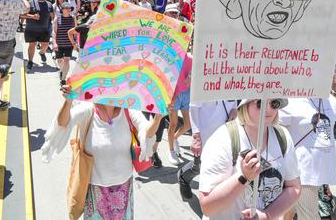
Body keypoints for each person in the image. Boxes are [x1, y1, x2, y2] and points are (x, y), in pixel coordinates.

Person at [41, 86, 165, 220]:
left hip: (123, 186)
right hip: (96, 189)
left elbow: (146, 132)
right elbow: (63, 122)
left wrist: (157, 119)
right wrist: (68, 101)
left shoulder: (128, 109)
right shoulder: (88, 109)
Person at [279, 66, 336, 220]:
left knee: (290, 209)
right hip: (302, 172)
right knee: (310, 216)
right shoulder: (292, 99)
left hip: (320, 170)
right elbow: (276, 129)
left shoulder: (326, 97)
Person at [198, 98, 301, 219]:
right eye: (260, 103)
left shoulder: (282, 136)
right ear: (245, 104)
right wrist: (243, 177)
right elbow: (207, 207)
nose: (268, 109)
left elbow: (294, 188)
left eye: (274, 103)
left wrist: (267, 215)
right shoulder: (222, 139)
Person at [178, 99, 238, 200]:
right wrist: (196, 135)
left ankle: (215, 200)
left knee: (224, 167)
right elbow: (193, 107)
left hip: (226, 132)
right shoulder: (202, 83)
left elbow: (234, 99)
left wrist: (234, 109)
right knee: (199, 167)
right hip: (205, 135)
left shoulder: (234, 82)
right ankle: (183, 177)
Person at [167, 52, 193, 165]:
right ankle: (171, 151)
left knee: (188, 124)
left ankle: (174, 138)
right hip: (173, 93)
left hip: (186, 93)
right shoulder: (171, 57)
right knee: (173, 123)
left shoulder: (191, 58)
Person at [24, 0, 54, 70]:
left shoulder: (49, 4)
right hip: (31, 29)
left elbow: (52, 16)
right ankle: (30, 61)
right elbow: (22, 15)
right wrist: (32, 16)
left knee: (45, 45)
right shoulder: (30, 3)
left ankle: (42, 52)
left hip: (44, 29)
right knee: (32, 45)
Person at [53, 2, 78, 85]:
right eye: (66, 8)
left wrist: (75, 43)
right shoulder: (57, 18)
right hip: (59, 43)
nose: (68, 10)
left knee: (67, 60)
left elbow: (76, 31)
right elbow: (54, 32)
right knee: (60, 61)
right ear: (62, 10)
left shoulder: (73, 18)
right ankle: (62, 70)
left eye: (69, 8)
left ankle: (63, 79)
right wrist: (54, 43)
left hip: (69, 43)